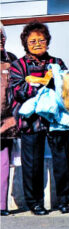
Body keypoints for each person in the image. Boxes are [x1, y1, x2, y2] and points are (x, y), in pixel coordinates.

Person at [7, 22, 69, 215]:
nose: (37, 44)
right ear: (25, 43)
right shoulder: (18, 66)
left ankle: (64, 201)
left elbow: (65, 85)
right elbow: (18, 90)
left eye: (41, 40)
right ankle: (35, 202)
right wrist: (44, 86)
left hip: (56, 119)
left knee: (62, 159)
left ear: (48, 41)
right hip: (31, 120)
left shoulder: (57, 62)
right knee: (32, 163)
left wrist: (46, 84)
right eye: (33, 41)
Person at [1, 24, 18, 216]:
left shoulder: (12, 61)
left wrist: (14, 117)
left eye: (2, 36)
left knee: (3, 163)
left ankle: (1, 205)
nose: (1, 39)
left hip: (5, 122)